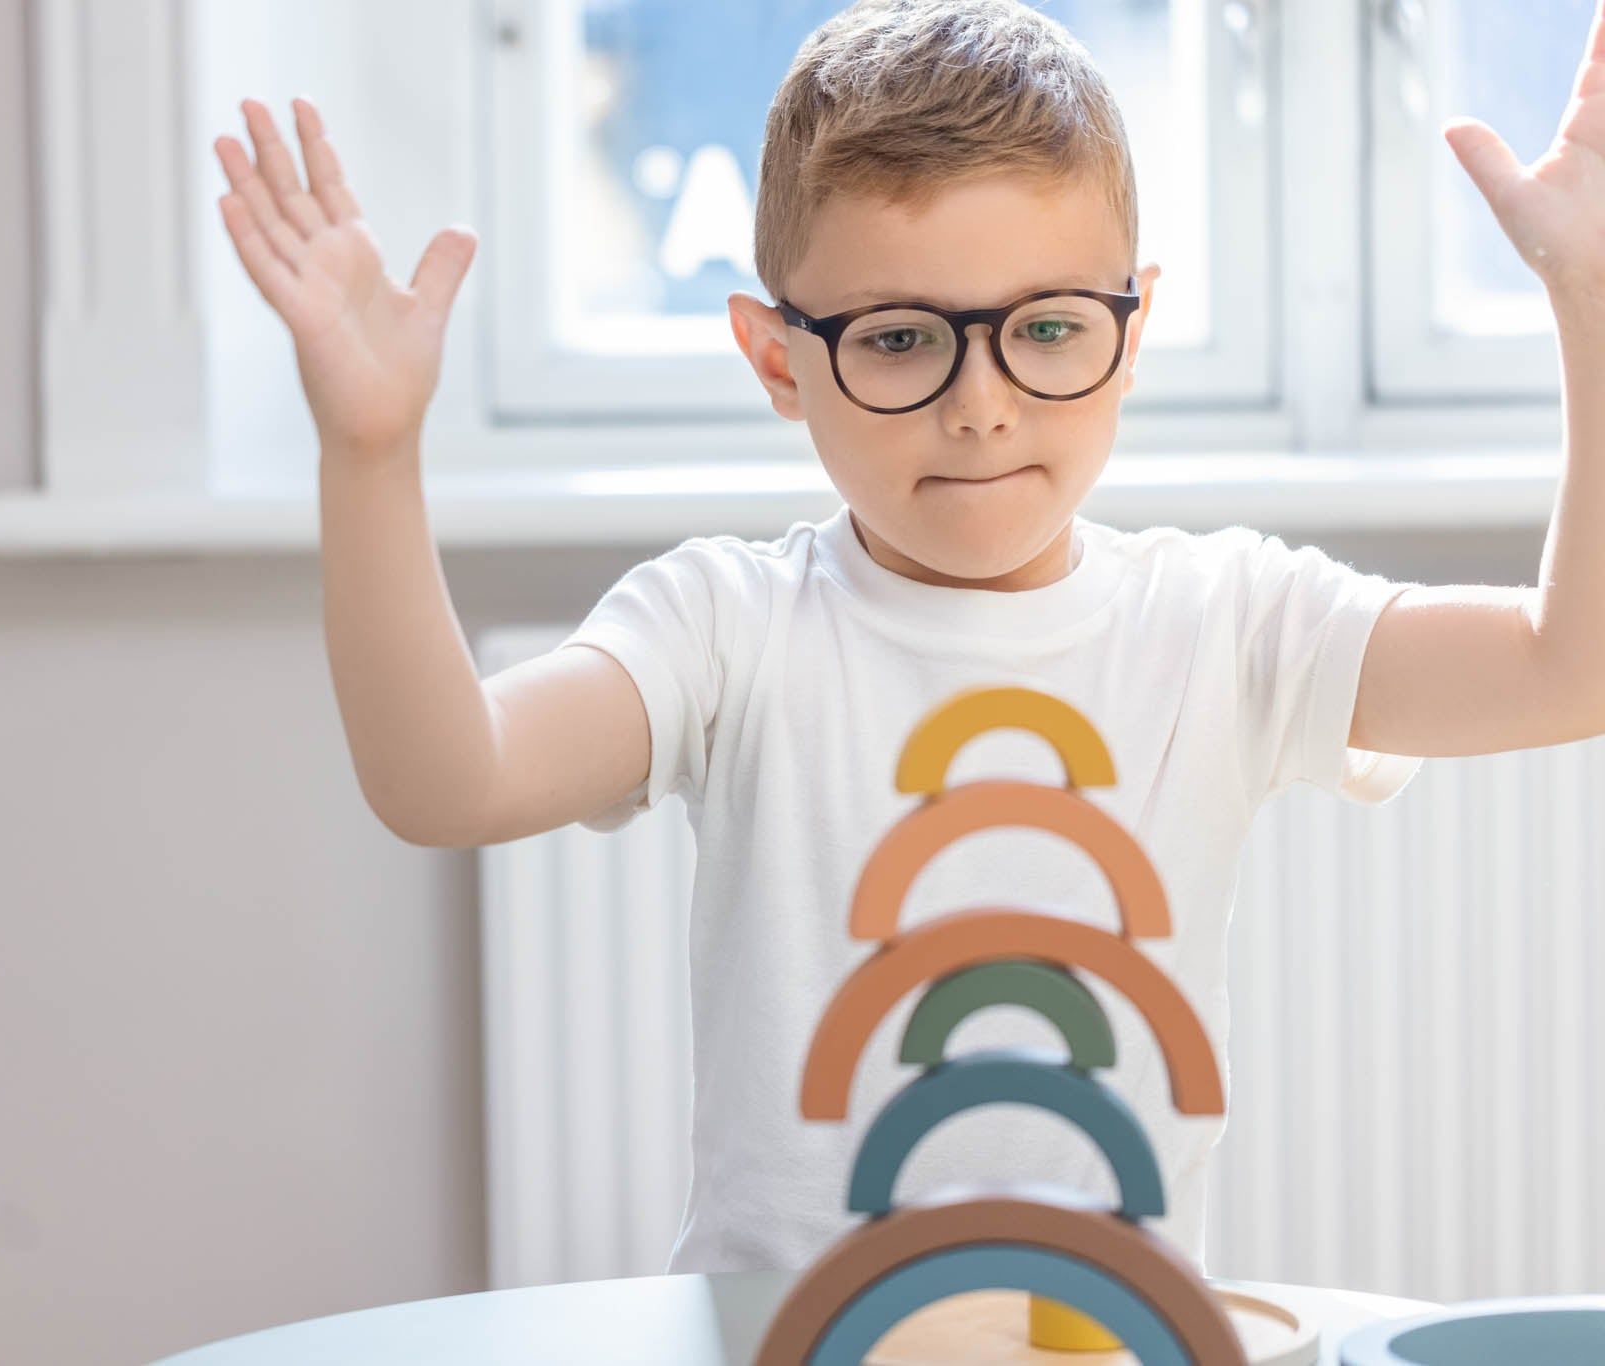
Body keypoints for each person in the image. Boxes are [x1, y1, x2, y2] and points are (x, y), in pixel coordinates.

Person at [211, 0, 1605, 1277]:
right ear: (778, 360)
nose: (984, 406)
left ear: (1133, 330)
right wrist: (373, 452)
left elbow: (1568, 668)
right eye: (897, 340)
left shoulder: (1227, 621)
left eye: (1049, 328)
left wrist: (1592, 309)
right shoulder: (727, 626)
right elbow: (447, 781)